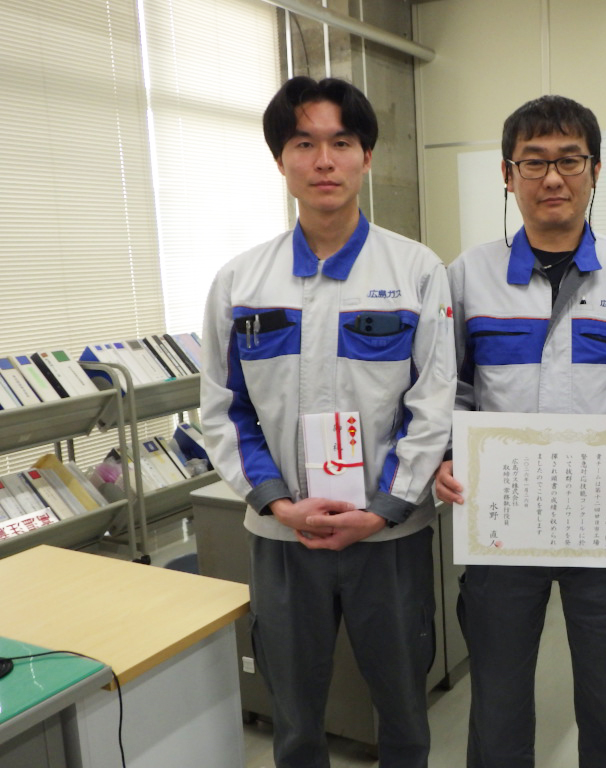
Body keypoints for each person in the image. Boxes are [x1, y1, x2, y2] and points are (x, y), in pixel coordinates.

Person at [435, 94, 606, 768]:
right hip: (502, 523)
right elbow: (452, 390)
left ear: (595, 170)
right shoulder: (469, 277)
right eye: (534, 162)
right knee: (497, 704)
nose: (552, 177)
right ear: (507, 174)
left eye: (569, 160)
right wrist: (446, 457)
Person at [200, 76, 455, 768]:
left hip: (389, 536)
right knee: (293, 714)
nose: (323, 161)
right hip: (283, 536)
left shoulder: (416, 271)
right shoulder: (240, 283)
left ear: (366, 156)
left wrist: (382, 508)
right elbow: (225, 407)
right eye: (303, 144)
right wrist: (278, 502)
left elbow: (432, 403)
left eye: (341, 143)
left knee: (403, 708)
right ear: (280, 160)